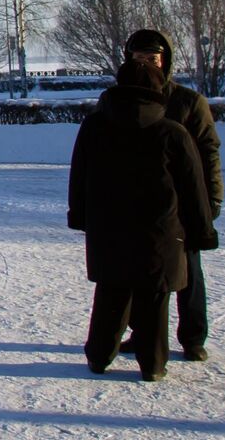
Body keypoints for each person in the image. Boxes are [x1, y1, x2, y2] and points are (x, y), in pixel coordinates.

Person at [68, 58, 217, 381]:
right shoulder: (172, 133)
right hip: (160, 231)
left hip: (108, 229)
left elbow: (79, 175)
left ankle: (99, 355)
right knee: (154, 296)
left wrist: (80, 216)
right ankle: (153, 364)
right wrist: (202, 230)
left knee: (111, 291)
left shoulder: (94, 127)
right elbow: (193, 189)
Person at [120, 28, 222, 362]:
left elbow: (209, 153)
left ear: (165, 61)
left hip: (183, 204)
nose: (146, 65)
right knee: (140, 273)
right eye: (139, 59)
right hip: (140, 204)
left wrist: (211, 201)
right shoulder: (122, 103)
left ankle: (193, 338)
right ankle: (143, 332)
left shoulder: (189, 102)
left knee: (189, 272)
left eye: (152, 59)